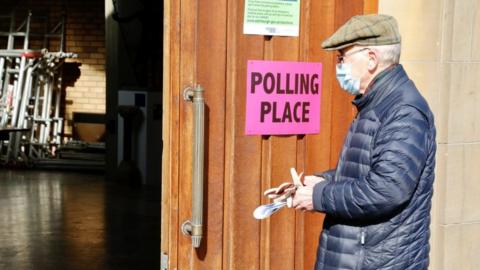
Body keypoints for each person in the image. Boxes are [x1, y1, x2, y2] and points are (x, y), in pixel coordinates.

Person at [291, 14, 436, 270]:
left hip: (377, 261)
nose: (338, 66)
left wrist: (320, 196)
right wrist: (326, 181)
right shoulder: (377, 103)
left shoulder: (403, 110)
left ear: (371, 58)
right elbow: (370, 170)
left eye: (342, 57)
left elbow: (386, 189)